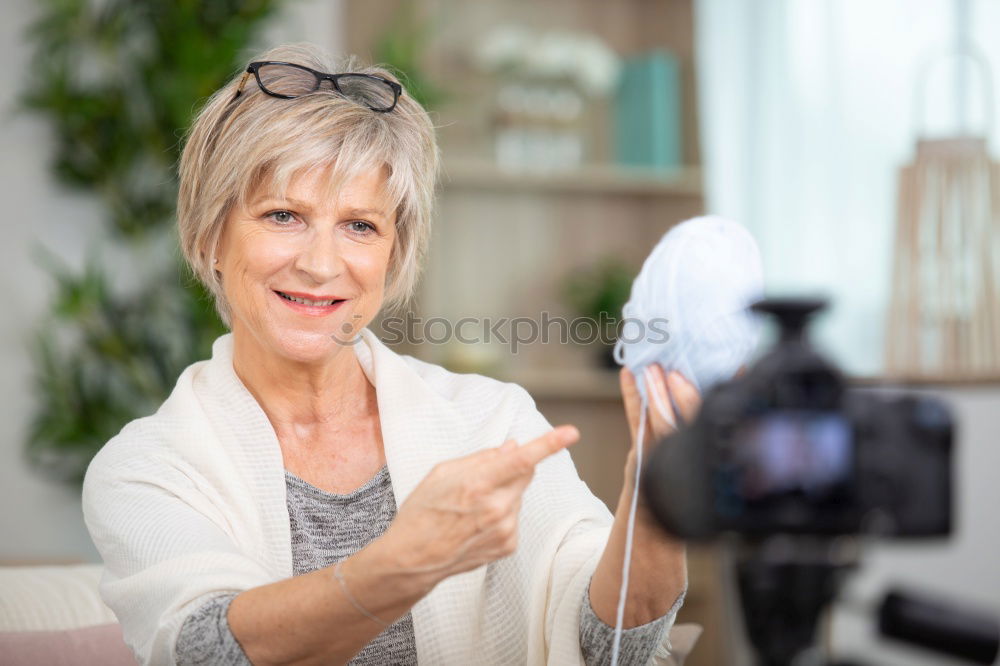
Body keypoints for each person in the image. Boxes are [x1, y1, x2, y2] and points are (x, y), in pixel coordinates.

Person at [81, 42, 700, 666]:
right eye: (283, 215)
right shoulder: (147, 467)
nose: (321, 264)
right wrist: (402, 563)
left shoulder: (492, 421)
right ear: (212, 236)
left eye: (360, 226)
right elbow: (211, 650)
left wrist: (655, 498)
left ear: (392, 255)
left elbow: (611, 645)